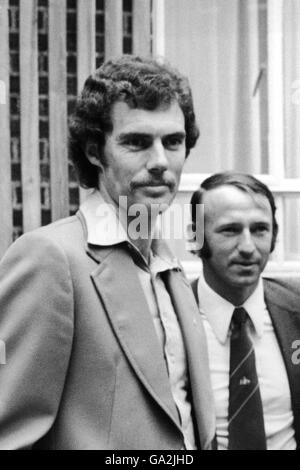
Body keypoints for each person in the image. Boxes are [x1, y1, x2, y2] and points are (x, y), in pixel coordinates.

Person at [0, 55, 215, 450]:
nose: (160, 162)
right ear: (95, 151)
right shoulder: (49, 258)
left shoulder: (168, 264)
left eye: (174, 142)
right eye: (136, 142)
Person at [189, 172, 300, 450]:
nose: (248, 247)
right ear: (196, 236)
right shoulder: (169, 316)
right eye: (230, 230)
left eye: (260, 229)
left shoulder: (295, 309)